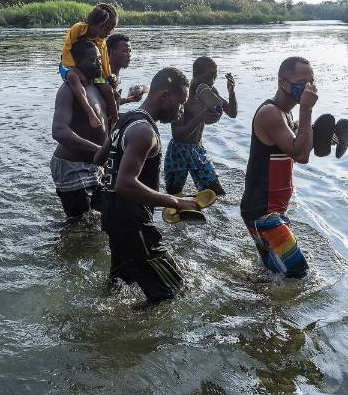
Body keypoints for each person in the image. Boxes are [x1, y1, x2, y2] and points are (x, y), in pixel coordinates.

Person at [97, 67, 199, 303]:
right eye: (181, 102)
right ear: (164, 96)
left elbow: (99, 159)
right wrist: (176, 201)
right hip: (133, 223)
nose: (182, 109)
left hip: (112, 216)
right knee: (172, 292)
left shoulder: (124, 120)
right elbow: (125, 184)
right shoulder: (145, 132)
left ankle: (101, 332)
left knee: (118, 283)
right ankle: (123, 336)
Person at [240, 56, 319, 279]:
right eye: (302, 81)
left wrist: (314, 132)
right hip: (262, 212)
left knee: (274, 274)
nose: (308, 87)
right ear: (283, 82)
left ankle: (255, 301)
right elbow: (301, 155)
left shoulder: (285, 114)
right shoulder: (270, 113)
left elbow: (299, 149)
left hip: (272, 208)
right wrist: (306, 110)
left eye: (311, 81)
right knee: (298, 273)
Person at [50, 39, 109, 218]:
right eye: (92, 60)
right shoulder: (68, 90)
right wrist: (99, 150)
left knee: (101, 218)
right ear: (76, 63)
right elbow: (59, 130)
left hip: (96, 163)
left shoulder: (96, 85)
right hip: (72, 167)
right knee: (78, 224)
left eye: (99, 59)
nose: (98, 63)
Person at [164, 56, 238, 197]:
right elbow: (177, 134)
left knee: (217, 194)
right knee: (173, 196)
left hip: (197, 149)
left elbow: (232, 113)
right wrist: (200, 118)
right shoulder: (183, 95)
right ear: (196, 75)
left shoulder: (209, 91)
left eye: (215, 77)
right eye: (209, 77)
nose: (212, 81)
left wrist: (231, 92)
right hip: (178, 151)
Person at [59, 4, 119, 130]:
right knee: (74, 79)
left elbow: (104, 62)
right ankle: (90, 113)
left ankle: (115, 120)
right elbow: (66, 50)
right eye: (106, 28)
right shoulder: (78, 29)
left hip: (90, 70)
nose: (109, 32)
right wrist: (77, 71)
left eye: (112, 29)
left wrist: (108, 79)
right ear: (95, 23)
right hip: (69, 66)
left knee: (107, 89)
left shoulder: (101, 41)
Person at [106, 33, 144, 106]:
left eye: (129, 51)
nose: (129, 55)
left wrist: (128, 100)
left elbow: (110, 103)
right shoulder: (102, 74)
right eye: (125, 51)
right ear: (112, 52)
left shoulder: (116, 75)